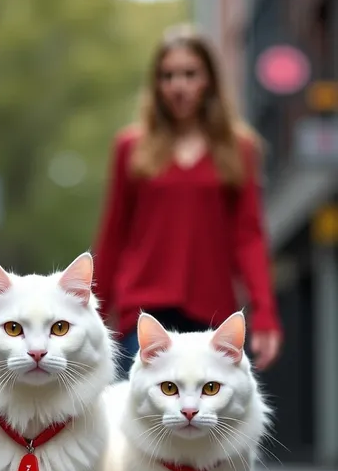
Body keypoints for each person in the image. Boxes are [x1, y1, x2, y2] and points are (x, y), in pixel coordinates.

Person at [93, 23, 282, 378]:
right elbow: (113, 235)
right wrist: (96, 317)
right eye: (168, 76)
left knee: (204, 421)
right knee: (147, 423)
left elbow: (249, 237)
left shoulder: (239, 149)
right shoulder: (131, 148)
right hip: (143, 313)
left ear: (208, 80)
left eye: (189, 74)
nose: (178, 85)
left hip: (211, 311)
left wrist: (265, 313)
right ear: (157, 84)